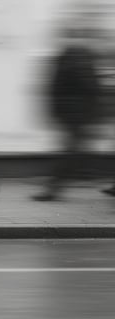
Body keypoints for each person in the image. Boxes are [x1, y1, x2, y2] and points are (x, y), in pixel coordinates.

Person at [33, 26, 103, 201]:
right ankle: (56, 187)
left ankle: (55, 188)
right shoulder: (78, 56)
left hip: (73, 112)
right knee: (74, 150)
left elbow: (56, 87)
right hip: (78, 113)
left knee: (73, 150)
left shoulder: (68, 56)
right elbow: (91, 87)